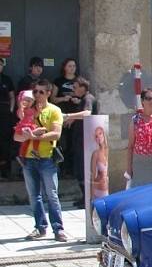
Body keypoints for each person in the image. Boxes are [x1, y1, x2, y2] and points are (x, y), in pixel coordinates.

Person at [13, 79, 67, 242]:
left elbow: (56, 134)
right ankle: (40, 227)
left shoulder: (54, 110)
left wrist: (36, 135)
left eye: (41, 92)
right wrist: (26, 135)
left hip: (47, 158)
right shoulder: (29, 111)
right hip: (28, 159)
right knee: (34, 195)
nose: (37, 95)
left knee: (51, 195)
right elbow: (16, 136)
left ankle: (58, 229)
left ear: (48, 93)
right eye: (35, 92)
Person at [62, 77, 97, 205]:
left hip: (86, 140)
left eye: (75, 87)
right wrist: (73, 119)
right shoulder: (82, 100)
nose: (73, 89)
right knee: (79, 169)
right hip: (79, 138)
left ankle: (88, 199)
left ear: (83, 87)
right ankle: (84, 197)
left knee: (84, 169)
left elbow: (87, 113)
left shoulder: (88, 98)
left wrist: (68, 116)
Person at [52, 58, 81, 175]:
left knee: (74, 143)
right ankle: (62, 168)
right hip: (61, 115)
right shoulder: (58, 81)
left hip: (75, 117)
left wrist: (77, 101)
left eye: (74, 66)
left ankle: (73, 169)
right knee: (62, 143)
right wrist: (63, 98)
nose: (72, 68)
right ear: (64, 67)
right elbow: (52, 99)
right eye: (69, 66)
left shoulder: (79, 80)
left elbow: (84, 98)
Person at [0, 57, 14, 179]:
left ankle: (5, 170)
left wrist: (10, 109)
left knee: (4, 141)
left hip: (4, 113)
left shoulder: (7, 79)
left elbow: (12, 96)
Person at [90, 126, 109, 201]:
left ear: (103, 134)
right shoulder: (95, 154)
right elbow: (93, 175)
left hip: (107, 189)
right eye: (96, 136)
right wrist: (91, 196)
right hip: (98, 191)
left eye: (100, 133)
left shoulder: (108, 150)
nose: (99, 137)